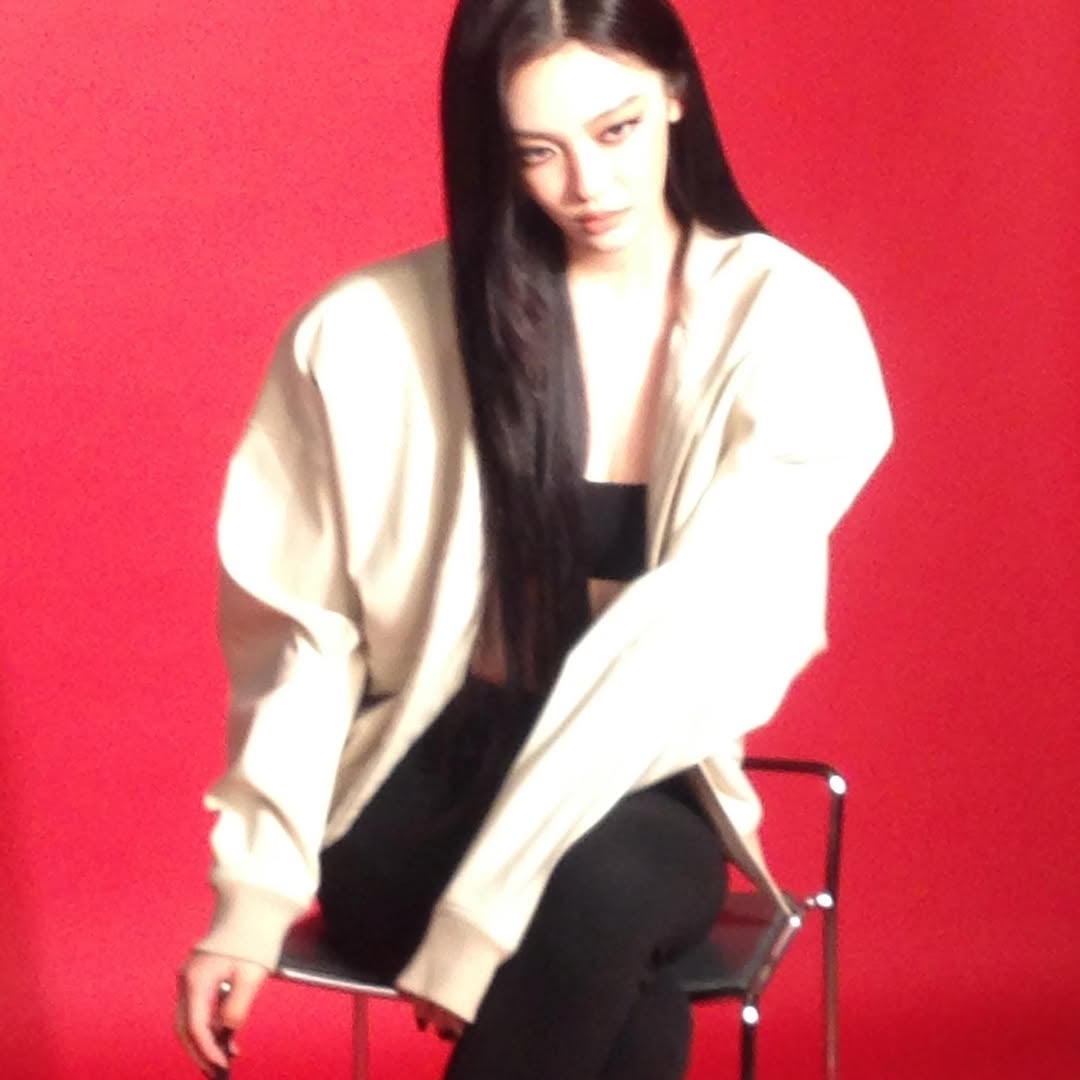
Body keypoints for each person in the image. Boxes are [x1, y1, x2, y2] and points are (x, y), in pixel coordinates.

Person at [174, 0, 893, 1077]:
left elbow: (686, 637)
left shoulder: (788, 326)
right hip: (427, 785)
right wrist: (253, 895)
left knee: (603, 887)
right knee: (619, 963)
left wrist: (486, 919)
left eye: (617, 129)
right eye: (536, 152)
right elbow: (304, 633)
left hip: (640, 781)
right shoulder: (367, 333)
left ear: (677, 95)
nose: (588, 186)